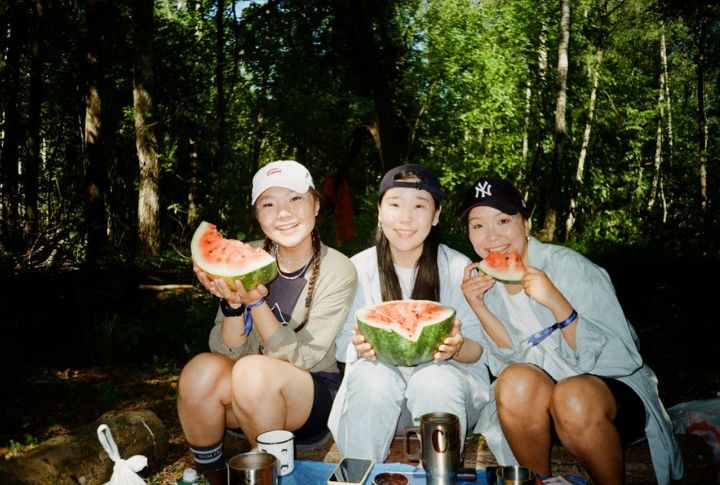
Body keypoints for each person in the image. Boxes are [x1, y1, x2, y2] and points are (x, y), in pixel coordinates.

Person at [458, 177, 683, 484]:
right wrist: (479, 307)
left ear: (526, 224)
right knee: (512, 380)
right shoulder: (488, 286)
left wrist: (557, 302)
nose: (491, 235)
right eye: (478, 225)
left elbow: (624, 358)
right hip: (545, 412)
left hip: (610, 402)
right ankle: (539, 481)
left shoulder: (571, 267)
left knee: (572, 395)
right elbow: (506, 364)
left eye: (503, 220)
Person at [177, 160, 357, 482]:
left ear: (316, 205)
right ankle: (210, 476)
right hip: (246, 393)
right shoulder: (247, 254)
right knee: (199, 371)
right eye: (268, 204)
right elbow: (227, 352)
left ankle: (266, 477)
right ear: (258, 215)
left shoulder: (338, 269)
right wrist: (233, 305)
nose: (283, 213)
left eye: (295, 198)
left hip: (310, 395)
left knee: (252, 371)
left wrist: (256, 303)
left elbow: (306, 358)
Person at [328, 164, 491, 462]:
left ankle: (442, 474)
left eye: (419, 205)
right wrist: (359, 346)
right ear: (379, 211)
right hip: (377, 403)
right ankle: (358, 472)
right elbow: (342, 347)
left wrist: (456, 348)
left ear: (436, 215)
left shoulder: (457, 267)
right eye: (394, 204)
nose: (405, 217)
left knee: (434, 379)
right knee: (373, 378)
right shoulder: (357, 268)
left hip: (449, 399)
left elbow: (479, 350)